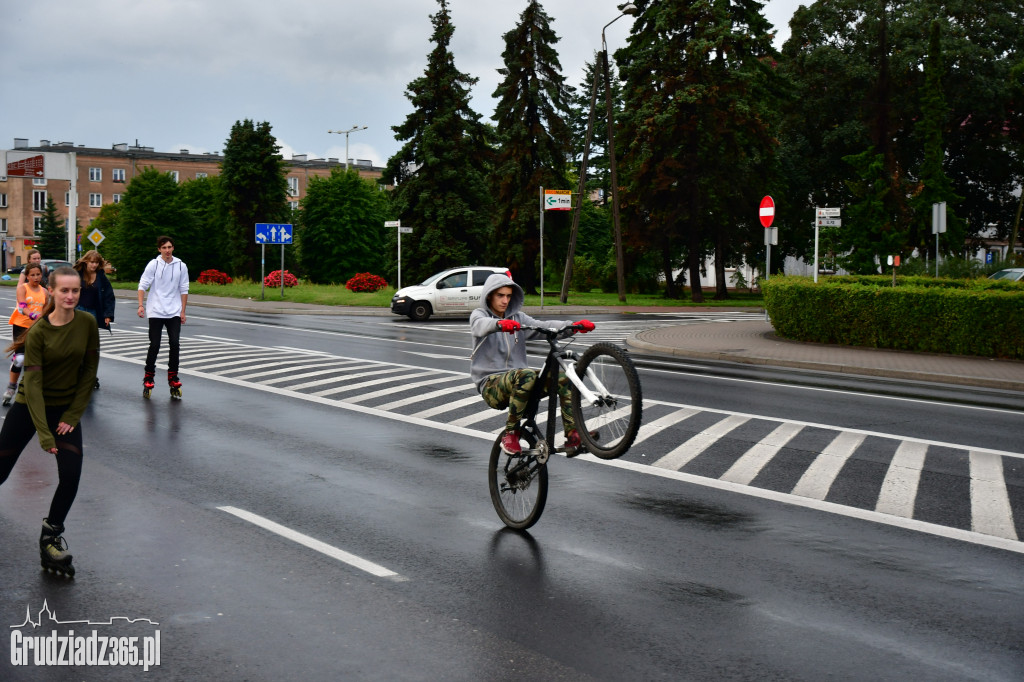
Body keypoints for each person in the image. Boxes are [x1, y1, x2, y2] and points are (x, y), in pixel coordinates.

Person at [0, 266, 99, 577]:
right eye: (64, 291)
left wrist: (72, 416)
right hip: (30, 407)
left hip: (65, 411)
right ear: (52, 292)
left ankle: (50, 539)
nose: (71, 296)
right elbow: (34, 386)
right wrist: (45, 435)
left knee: (71, 476)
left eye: (76, 291)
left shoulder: (87, 323)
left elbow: (88, 372)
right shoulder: (40, 331)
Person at [470, 273, 594, 455]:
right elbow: (480, 325)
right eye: (500, 295)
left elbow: (544, 326)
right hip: (491, 384)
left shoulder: (518, 318)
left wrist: (573, 326)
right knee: (526, 374)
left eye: (508, 296)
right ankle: (510, 433)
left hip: (519, 378)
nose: (505, 300)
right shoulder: (479, 315)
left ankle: (573, 434)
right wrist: (499, 324)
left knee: (565, 378)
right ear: (489, 295)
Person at [137, 236, 189, 398]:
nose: (167, 250)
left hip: (173, 311)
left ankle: (173, 376)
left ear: (173, 248)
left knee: (175, 343)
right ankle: (149, 376)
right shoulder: (154, 264)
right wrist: (140, 305)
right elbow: (143, 284)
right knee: (155, 344)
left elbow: (184, 289)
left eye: (169, 247)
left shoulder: (181, 266)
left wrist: (182, 311)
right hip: (156, 310)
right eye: (164, 247)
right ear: (159, 249)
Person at [4, 262, 48, 405]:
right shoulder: (23, 288)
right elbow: (22, 307)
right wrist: (33, 315)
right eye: (32, 275)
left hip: (37, 329)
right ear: (27, 276)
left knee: (38, 359)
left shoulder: (45, 292)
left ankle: (35, 389)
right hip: (21, 326)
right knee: (20, 359)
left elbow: (47, 311)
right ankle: (11, 387)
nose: (36, 277)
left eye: (38, 274)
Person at [73, 250, 116, 390]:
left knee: (91, 346)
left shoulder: (101, 277)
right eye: (92, 262)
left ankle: (90, 376)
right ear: (86, 261)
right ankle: (76, 374)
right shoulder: (77, 274)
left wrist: (108, 315)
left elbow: (109, 296)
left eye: (96, 262)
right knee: (78, 345)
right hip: (77, 311)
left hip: (93, 313)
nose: (94, 265)